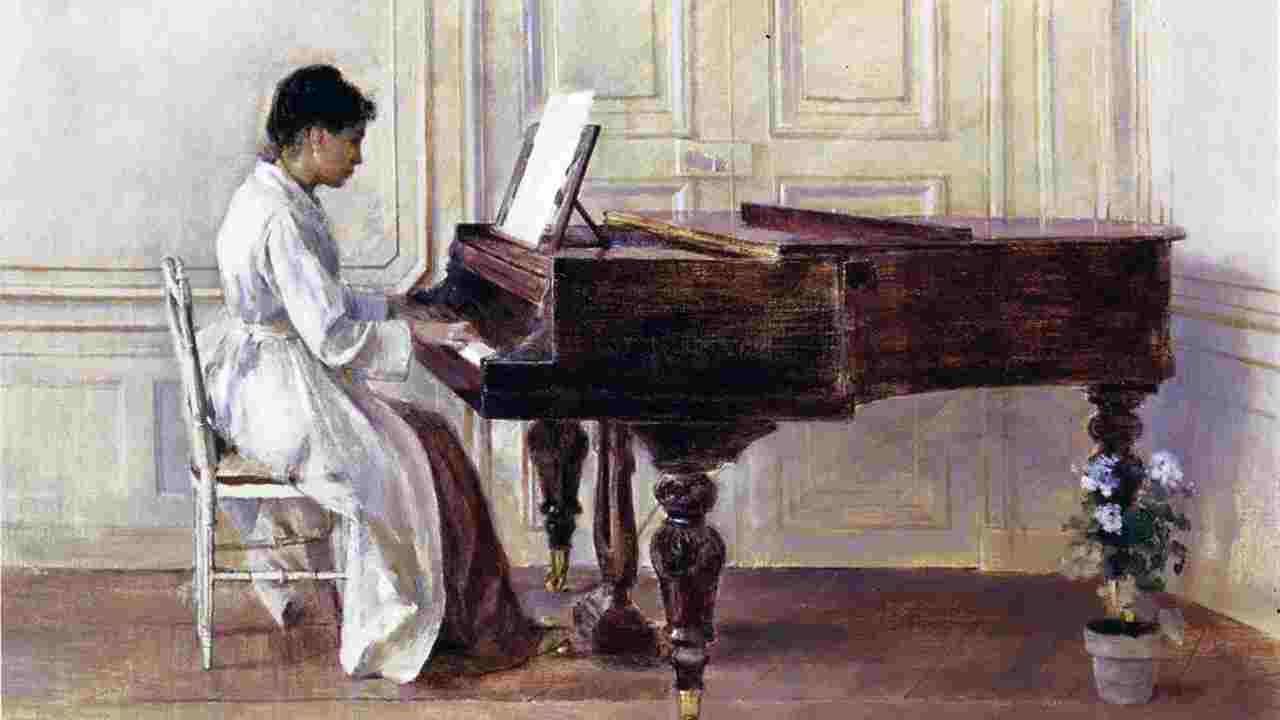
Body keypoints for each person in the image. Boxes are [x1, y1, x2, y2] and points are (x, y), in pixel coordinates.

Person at [197, 64, 558, 683]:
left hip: (260, 382)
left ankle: (475, 620)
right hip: (280, 398)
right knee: (425, 453)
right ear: (316, 137)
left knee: (431, 444)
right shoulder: (281, 217)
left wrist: (396, 308)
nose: (358, 157)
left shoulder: (268, 195)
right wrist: (417, 334)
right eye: (352, 141)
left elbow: (317, 301)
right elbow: (332, 335)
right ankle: (453, 628)